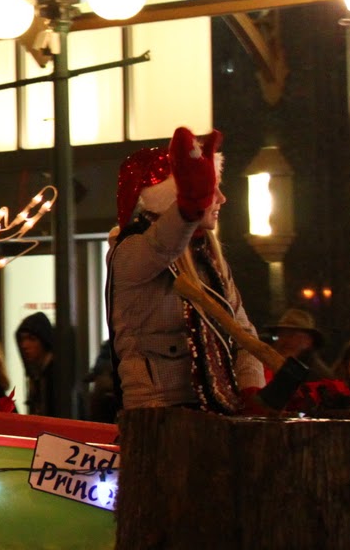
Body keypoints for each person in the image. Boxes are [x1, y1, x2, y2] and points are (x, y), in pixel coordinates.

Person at [108, 127, 265, 413]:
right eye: (210, 189)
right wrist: (189, 208)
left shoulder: (209, 257)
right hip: (157, 415)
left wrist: (252, 390)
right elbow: (163, 245)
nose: (221, 198)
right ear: (174, 198)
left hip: (217, 408)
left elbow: (244, 333)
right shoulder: (131, 252)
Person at [263, 308, 332, 381]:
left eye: (292, 335)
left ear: (308, 341)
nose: (285, 340)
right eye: (281, 334)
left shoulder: (318, 377)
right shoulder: (266, 366)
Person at [14, 313, 55, 416]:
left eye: (31, 339)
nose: (24, 345)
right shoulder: (36, 375)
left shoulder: (55, 375)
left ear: (44, 341)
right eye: (22, 339)